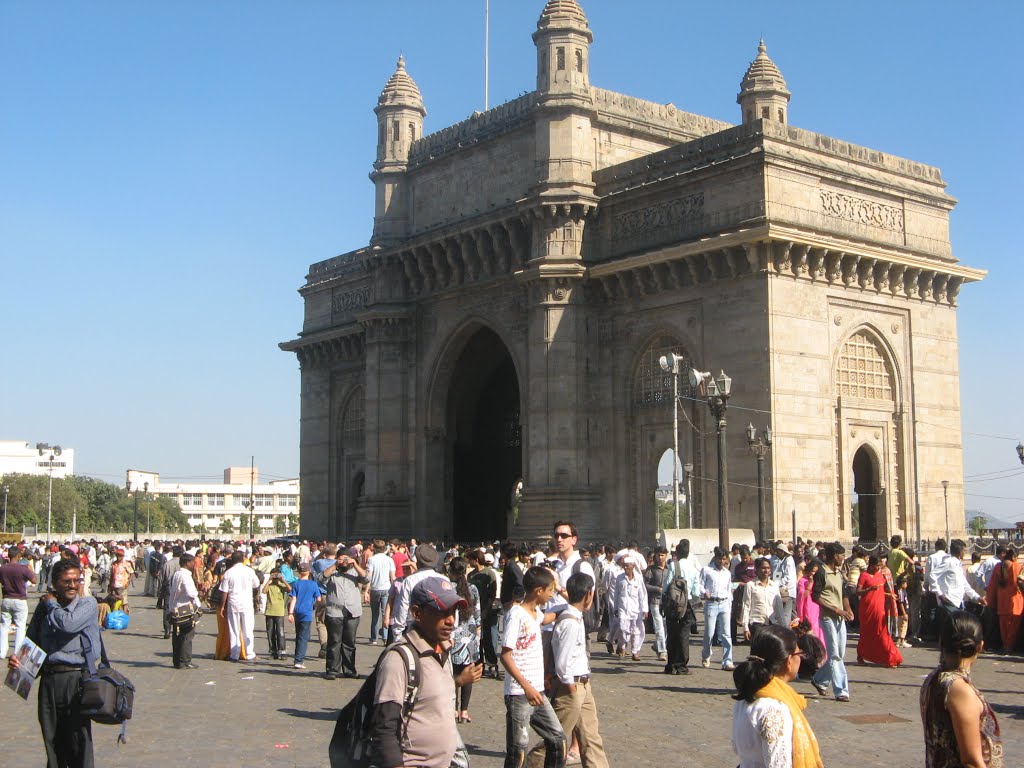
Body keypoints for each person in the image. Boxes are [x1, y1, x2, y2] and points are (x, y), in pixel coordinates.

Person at [368, 577, 480, 768]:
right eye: (441, 612)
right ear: (417, 613)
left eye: (453, 611)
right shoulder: (399, 659)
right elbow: (384, 728)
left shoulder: (443, 651)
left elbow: (428, 696)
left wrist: (458, 681)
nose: (451, 620)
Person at [11, 558, 102, 768]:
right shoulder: (44, 608)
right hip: (50, 680)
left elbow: (67, 624)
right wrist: (20, 662)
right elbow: (33, 640)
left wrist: (50, 602)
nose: (72, 585)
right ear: (54, 583)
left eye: (76, 580)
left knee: (78, 740)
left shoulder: (87, 604)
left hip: (76, 680)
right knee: (52, 739)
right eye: (66, 581)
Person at [527, 572, 610, 768]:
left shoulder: (571, 613)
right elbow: (563, 663)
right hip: (570, 687)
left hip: (583, 683)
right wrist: (572, 689)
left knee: (591, 737)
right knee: (555, 739)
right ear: (589, 595)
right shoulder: (569, 622)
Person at [730, 624, 824, 768]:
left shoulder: (747, 695)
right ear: (788, 661)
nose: (801, 659)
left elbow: (737, 747)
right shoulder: (774, 709)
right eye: (799, 654)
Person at [920, 610, 1003, 768]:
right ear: (980, 646)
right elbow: (971, 761)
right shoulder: (960, 690)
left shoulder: (933, 679)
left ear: (941, 643)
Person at [501, 565, 565, 768]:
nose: (551, 594)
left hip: (537, 692)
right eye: (550, 590)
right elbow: (505, 655)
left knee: (557, 739)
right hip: (520, 693)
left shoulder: (535, 612)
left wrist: (567, 607)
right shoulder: (516, 614)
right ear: (539, 590)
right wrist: (526, 686)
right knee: (518, 751)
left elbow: (547, 617)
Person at [811, 542, 853, 702]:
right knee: (835, 654)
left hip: (840, 618)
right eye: (842, 555)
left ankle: (820, 679)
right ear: (835, 556)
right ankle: (841, 690)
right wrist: (836, 610)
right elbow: (816, 596)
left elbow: (844, 593)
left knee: (839, 654)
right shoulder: (821, 572)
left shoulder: (839, 572)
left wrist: (848, 609)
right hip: (828, 617)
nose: (843, 558)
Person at [319, 546, 368, 679]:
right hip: (334, 611)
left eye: (347, 559)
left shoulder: (354, 572)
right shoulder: (332, 572)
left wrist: (355, 564)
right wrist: (335, 564)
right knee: (334, 642)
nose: (344, 562)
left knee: (349, 642)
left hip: (352, 611)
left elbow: (366, 579)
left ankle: (349, 670)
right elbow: (320, 579)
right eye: (342, 559)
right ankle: (332, 670)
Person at [447, 556, 481, 723]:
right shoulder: (473, 588)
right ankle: (465, 711)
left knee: (453, 672)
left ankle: (453, 709)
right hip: (470, 635)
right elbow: (478, 612)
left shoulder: (448, 589)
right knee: (468, 673)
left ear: (451, 571)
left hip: (453, 634)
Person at [855, 556, 903, 668]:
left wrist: (889, 595)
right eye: (877, 566)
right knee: (866, 633)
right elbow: (858, 591)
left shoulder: (880, 575)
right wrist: (869, 590)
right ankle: (861, 655)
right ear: (871, 565)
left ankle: (890, 656)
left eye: (879, 566)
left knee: (882, 632)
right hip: (867, 609)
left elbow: (881, 590)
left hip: (879, 608)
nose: (878, 568)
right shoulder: (864, 576)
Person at [217, 549, 261, 662]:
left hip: (233, 603)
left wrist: (222, 607)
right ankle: (249, 653)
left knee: (234, 629)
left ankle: (235, 654)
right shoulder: (249, 571)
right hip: (246, 603)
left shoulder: (228, 573)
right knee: (248, 628)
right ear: (243, 559)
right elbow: (256, 585)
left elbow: (224, 592)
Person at [700, 547, 736, 671]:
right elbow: (700, 584)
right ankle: (706, 654)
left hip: (725, 603)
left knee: (726, 634)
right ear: (715, 557)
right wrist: (704, 592)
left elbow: (728, 589)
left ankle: (727, 660)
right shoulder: (707, 570)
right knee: (709, 633)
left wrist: (730, 605)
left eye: (724, 559)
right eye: (720, 558)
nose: (722, 561)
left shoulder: (727, 573)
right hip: (711, 603)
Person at [1, 544, 38, 658]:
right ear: (18, 555)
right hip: (20, 599)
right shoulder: (22, 569)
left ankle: (2, 652)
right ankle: (17, 652)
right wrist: (31, 571)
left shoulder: (2, 568)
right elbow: (34, 580)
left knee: (3, 626)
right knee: (20, 626)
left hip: (6, 599)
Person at [166, 552, 201, 669]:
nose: (194, 564)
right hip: (185, 610)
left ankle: (177, 661)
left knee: (177, 636)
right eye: (193, 562)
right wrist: (198, 594)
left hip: (175, 608)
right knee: (187, 636)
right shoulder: (186, 575)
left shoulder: (176, 574)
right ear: (187, 563)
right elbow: (190, 593)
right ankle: (185, 661)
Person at [985, 546, 1022, 653]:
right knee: (1013, 626)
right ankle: (1009, 646)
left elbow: (992, 586)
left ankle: (1005, 645)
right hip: (1015, 600)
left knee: (1004, 626)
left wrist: (990, 601)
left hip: (1002, 601)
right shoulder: (1016, 566)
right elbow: (1019, 583)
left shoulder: (998, 566)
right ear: (1014, 556)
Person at [739, 557, 785, 642]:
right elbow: (746, 606)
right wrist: (745, 627)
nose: (766, 570)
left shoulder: (774, 586)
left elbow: (779, 608)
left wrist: (783, 627)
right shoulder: (750, 585)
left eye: (768, 568)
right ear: (757, 569)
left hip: (771, 624)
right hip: (756, 623)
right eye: (763, 568)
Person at [613, 553, 648, 660]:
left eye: (628, 565)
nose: (626, 567)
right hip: (623, 608)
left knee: (636, 631)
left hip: (636, 609)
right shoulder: (620, 578)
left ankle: (635, 652)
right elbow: (616, 594)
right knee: (623, 629)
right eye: (624, 565)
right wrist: (615, 608)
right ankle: (622, 646)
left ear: (633, 566)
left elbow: (643, 594)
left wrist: (645, 609)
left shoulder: (638, 578)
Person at [287, 562, 322, 669]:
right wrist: (314, 605)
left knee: (299, 635)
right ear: (309, 571)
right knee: (304, 637)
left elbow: (293, 599)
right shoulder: (313, 584)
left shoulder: (296, 584)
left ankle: (297, 658)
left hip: (297, 612)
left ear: (299, 573)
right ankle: (299, 660)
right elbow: (319, 599)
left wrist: (290, 613)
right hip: (307, 613)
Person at [366, 540, 396, 645]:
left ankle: (374, 638)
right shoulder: (389, 560)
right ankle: (385, 637)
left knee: (375, 615)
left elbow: (369, 576)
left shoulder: (371, 559)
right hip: (386, 588)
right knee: (385, 613)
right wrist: (395, 590)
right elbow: (393, 577)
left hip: (375, 588)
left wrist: (366, 591)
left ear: (374, 548)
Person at [644, 547, 669, 661]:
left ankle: (657, 645)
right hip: (655, 601)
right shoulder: (651, 570)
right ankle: (662, 651)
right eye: (658, 555)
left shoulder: (670, 569)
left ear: (666, 556)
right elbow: (645, 585)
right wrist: (657, 589)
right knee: (659, 627)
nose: (660, 558)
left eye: (662, 555)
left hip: (667, 602)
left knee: (666, 626)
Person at [794, 560, 823, 645]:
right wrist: (810, 583)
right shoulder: (802, 581)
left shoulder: (819, 581)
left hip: (817, 607)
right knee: (810, 628)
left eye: (816, 572)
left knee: (818, 628)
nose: (814, 573)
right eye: (813, 571)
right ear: (808, 571)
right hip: (807, 608)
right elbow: (802, 596)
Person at [770, 541, 798, 626]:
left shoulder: (788, 561)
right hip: (781, 591)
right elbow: (778, 574)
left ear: (782, 551)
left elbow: (787, 577)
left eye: (778, 552)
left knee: (786, 616)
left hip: (788, 592)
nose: (777, 554)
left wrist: (775, 583)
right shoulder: (781, 560)